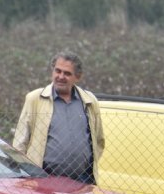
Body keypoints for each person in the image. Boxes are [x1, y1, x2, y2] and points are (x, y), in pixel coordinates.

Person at [13, 52, 104, 184]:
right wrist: (24, 175)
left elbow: (99, 141)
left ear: (77, 77)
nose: (60, 77)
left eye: (67, 73)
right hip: (44, 179)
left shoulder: (89, 101)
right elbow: (20, 142)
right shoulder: (35, 99)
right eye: (58, 71)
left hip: (83, 181)